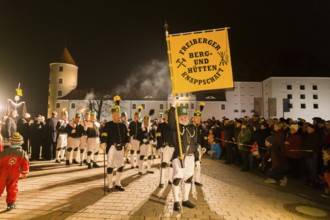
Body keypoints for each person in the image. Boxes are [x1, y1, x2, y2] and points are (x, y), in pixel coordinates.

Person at [168, 106, 199, 211]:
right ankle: (176, 202)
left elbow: (195, 144)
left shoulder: (191, 128)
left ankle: (185, 200)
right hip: (179, 157)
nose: (184, 118)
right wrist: (172, 111)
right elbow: (171, 123)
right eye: (181, 116)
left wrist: (197, 158)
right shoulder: (175, 128)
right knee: (177, 179)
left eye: (185, 116)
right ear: (178, 117)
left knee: (188, 178)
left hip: (190, 157)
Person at [100, 96, 130, 192]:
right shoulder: (108, 125)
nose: (119, 117)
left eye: (119, 115)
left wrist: (128, 142)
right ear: (113, 115)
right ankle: (109, 184)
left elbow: (127, 135)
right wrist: (103, 142)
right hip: (111, 147)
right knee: (110, 165)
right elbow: (104, 134)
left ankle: (118, 183)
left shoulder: (123, 125)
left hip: (120, 148)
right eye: (117, 115)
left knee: (120, 165)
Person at [0, 132, 29, 211]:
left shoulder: (4, 152)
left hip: (3, 172)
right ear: (21, 143)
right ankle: (11, 204)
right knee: (12, 187)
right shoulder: (22, 153)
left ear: (11, 142)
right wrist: (24, 172)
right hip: (14, 172)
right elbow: (25, 163)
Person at [156, 109, 174, 188]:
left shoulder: (173, 125)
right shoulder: (161, 125)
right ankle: (162, 181)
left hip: (173, 148)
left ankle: (170, 179)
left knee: (172, 165)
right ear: (165, 116)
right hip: (165, 147)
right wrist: (160, 146)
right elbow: (158, 136)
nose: (168, 116)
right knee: (164, 165)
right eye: (167, 115)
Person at [192, 102, 207, 187]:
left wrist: (204, 147)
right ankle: (189, 179)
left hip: (198, 148)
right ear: (193, 118)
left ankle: (197, 179)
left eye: (199, 118)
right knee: (190, 165)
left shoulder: (202, 128)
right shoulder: (190, 127)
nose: (198, 119)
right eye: (196, 118)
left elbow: (205, 138)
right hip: (190, 148)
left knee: (198, 164)